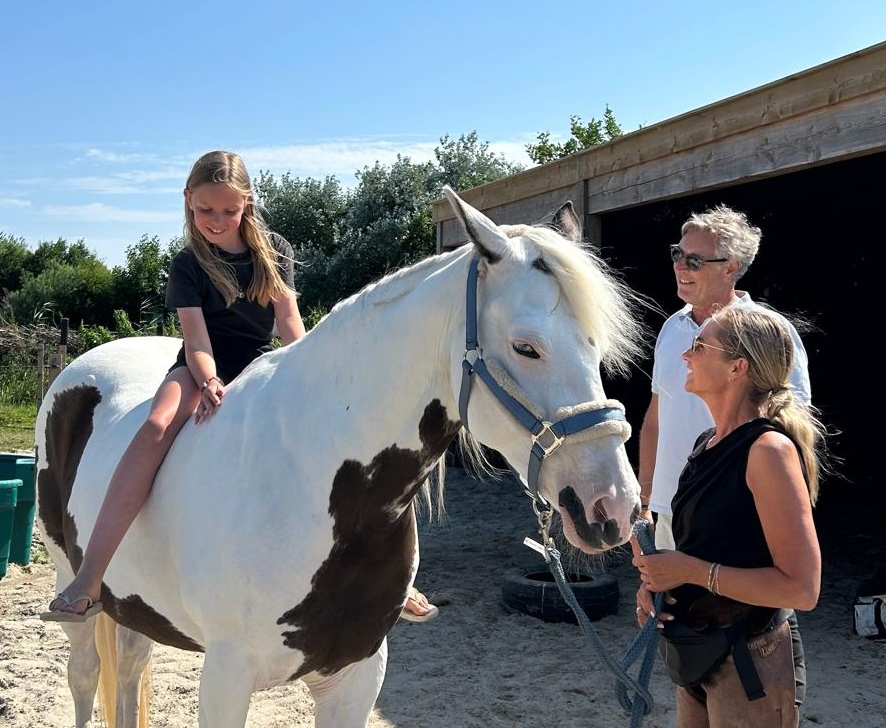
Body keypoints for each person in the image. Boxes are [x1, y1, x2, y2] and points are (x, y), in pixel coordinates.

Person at [42, 150, 307, 621]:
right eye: (205, 209)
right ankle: (89, 577)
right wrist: (208, 381)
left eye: (229, 209)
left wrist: (306, 372)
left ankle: (392, 580)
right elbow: (197, 338)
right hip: (200, 365)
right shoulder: (188, 263)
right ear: (187, 200)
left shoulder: (275, 250)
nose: (217, 220)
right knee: (157, 426)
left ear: (247, 202)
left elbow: (288, 322)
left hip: (262, 363)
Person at [632, 305, 829, 727]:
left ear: (738, 367)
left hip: (751, 662)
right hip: (699, 653)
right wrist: (660, 587)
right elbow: (706, 550)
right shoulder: (707, 443)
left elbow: (802, 589)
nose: (686, 354)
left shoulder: (768, 452)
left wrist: (687, 569)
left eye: (700, 345)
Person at [638, 205, 811, 551]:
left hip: (732, 515)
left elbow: (793, 428)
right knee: (666, 605)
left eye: (695, 261)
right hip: (669, 510)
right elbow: (657, 419)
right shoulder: (673, 327)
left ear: (731, 268)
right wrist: (645, 503)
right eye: (677, 254)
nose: (680, 266)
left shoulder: (768, 332)